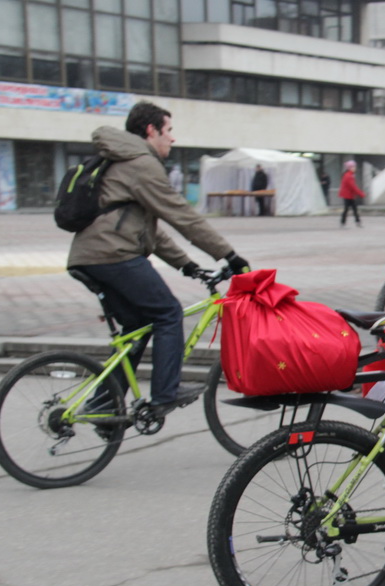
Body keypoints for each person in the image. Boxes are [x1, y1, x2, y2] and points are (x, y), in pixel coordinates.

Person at [67, 101, 250, 416]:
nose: (172, 138)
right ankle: (166, 392)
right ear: (151, 130)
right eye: (169, 130)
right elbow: (181, 215)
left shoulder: (122, 160)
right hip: (114, 255)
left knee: (136, 327)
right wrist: (229, 255)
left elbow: (150, 231)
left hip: (92, 255)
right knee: (168, 314)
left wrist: (187, 265)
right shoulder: (141, 163)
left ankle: (101, 406)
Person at [338, 160, 365, 227]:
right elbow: (353, 187)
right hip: (348, 195)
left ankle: (346, 222)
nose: (355, 168)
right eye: (353, 167)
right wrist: (361, 193)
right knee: (350, 209)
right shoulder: (349, 176)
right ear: (350, 168)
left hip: (349, 195)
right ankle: (346, 222)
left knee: (351, 209)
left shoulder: (348, 175)